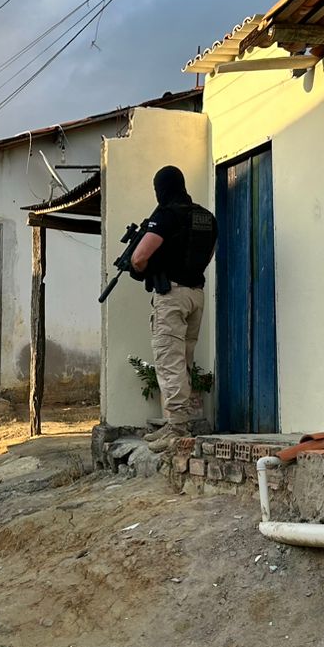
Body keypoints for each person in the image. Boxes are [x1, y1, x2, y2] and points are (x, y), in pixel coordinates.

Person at [130, 165, 216, 450]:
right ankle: (176, 422)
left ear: (161, 189)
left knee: (169, 360)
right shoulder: (206, 216)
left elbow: (140, 257)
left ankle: (177, 426)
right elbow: (206, 255)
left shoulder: (167, 215)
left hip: (173, 295)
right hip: (196, 295)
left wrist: (145, 266)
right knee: (185, 359)